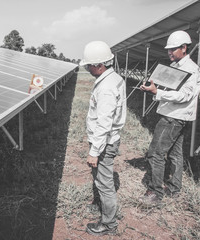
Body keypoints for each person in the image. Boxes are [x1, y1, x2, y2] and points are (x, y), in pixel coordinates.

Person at [139, 30, 200, 205]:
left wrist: (157, 92)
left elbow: (185, 96)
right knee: (175, 154)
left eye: (172, 49)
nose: (169, 52)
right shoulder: (175, 67)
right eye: (168, 49)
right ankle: (174, 189)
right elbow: (168, 91)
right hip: (174, 115)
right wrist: (154, 89)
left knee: (155, 154)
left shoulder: (191, 69)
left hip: (173, 118)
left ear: (184, 48)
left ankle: (155, 192)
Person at [79, 41, 127, 236]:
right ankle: (100, 206)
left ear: (99, 65)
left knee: (105, 184)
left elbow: (104, 124)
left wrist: (94, 151)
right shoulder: (114, 78)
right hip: (108, 140)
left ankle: (109, 224)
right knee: (99, 178)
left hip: (104, 142)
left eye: (89, 65)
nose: (88, 68)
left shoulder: (106, 87)